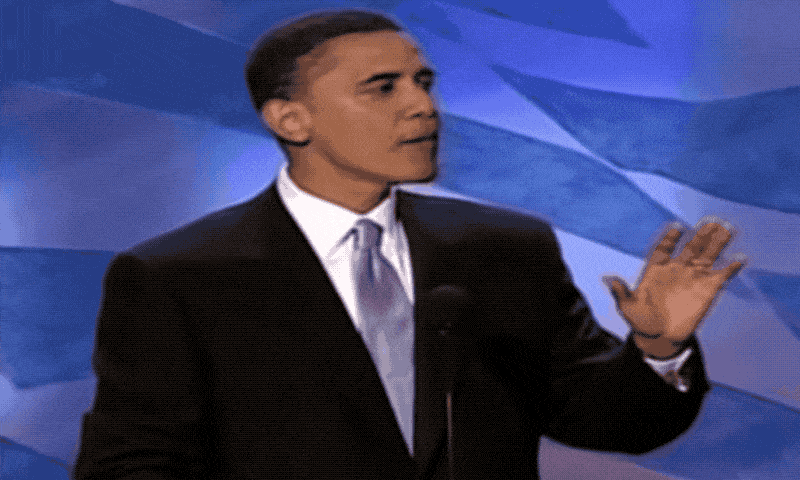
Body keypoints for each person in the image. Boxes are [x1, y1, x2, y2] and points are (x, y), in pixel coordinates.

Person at [73, 9, 744, 480]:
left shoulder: (505, 251)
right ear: (289, 118)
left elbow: (605, 423)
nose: (422, 107)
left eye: (423, 82)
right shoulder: (179, 278)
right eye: (382, 88)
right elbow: (133, 464)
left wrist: (658, 349)